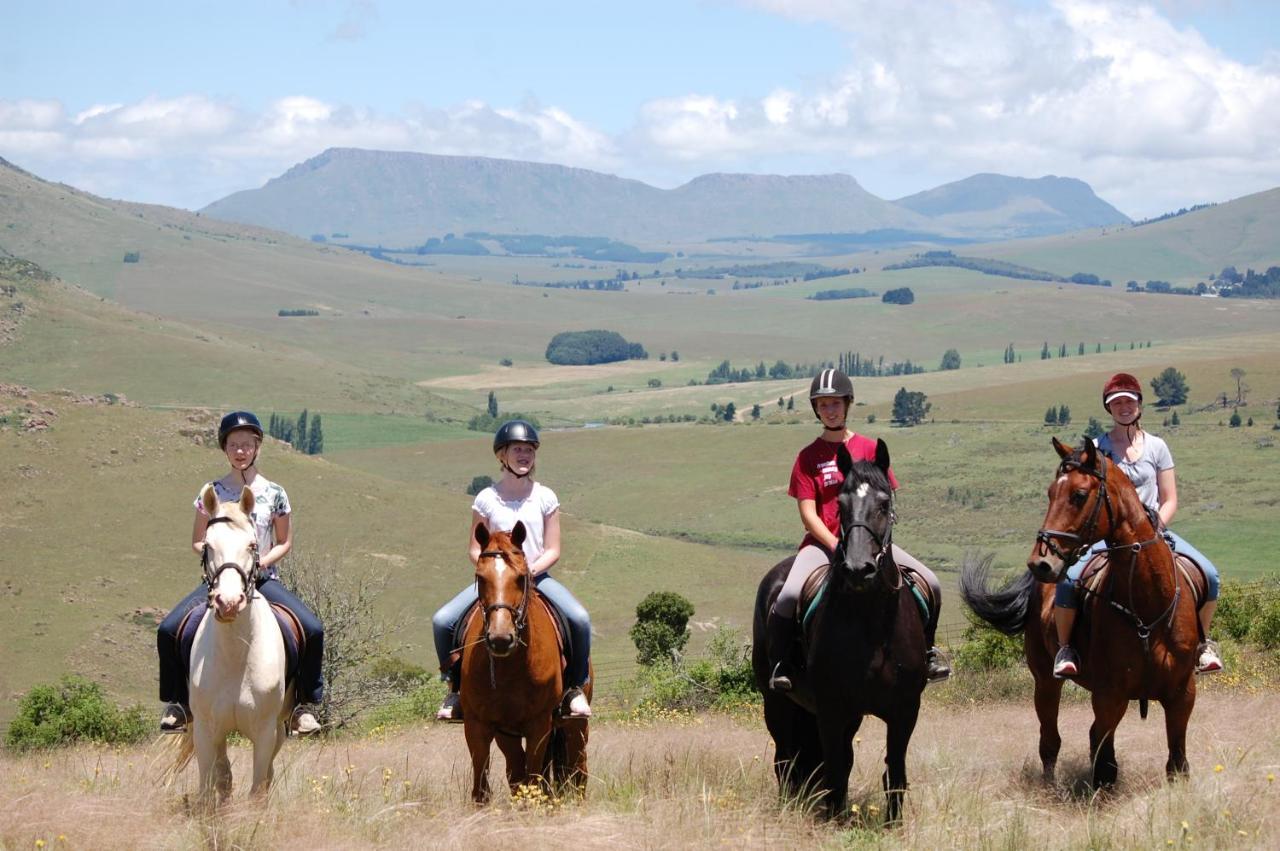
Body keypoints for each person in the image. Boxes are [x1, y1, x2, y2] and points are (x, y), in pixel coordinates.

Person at [765, 369, 951, 691]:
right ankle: (783, 665)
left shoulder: (868, 448)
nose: (830, 410)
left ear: (847, 404)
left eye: (835, 403)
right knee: (788, 595)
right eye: (823, 405)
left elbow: (886, 500)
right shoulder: (808, 457)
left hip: (871, 545)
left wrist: (873, 541)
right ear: (816, 410)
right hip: (823, 546)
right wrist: (837, 544)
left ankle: (929, 652)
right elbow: (808, 514)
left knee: (931, 583)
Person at [155, 411, 325, 735]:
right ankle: (178, 704)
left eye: (247, 444)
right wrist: (219, 564)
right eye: (234, 445)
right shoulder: (211, 491)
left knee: (313, 629)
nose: (240, 451)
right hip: (220, 579)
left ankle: (302, 704)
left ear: (257, 447)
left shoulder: (275, 492)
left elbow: (284, 541)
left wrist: (260, 563)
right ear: (225, 448)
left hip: (261, 578)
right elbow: (196, 540)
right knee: (168, 629)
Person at [1052, 373, 1223, 678]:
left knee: (1210, 574)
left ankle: (1203, 645)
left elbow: (1170, 499)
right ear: (1109, 409)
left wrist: (1156, 527)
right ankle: (1066, 648)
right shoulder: (1096, 448)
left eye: (1128, 401)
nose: (1123, 407)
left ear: (1139, 405)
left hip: (1154, 534)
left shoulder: (1157, 447)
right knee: (1068, 581)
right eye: (1116, 403)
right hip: (1105, 538)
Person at [432, 420, 592, 721]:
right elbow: (474, 548)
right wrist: (493, 571)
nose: (524, 454)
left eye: (529, 449)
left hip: (535, 577)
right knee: (442, 621)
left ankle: (574, 687)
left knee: (580, 619)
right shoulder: (486, 499)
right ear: (501, 455)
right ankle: (455, 689)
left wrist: (527, 570)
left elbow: (553, 549)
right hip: (496, 580)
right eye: (517, 449)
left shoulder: (545, 497)